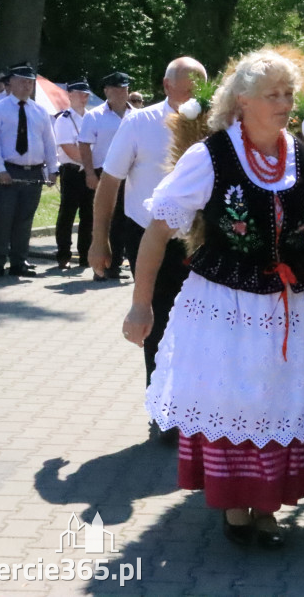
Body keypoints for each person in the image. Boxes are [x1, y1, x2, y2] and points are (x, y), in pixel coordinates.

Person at [128, 49, 304, 547]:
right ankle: (234, 507)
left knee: (280, 399)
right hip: (227, 305)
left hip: (295, 305)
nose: (285, 103)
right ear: (241, 101)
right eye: (273, 95)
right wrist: (141, 304)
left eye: (289, 94)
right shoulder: (210, 156)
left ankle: (267, 505)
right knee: (236, 398)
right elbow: (157, 231)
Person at [90, 57, 207, 394]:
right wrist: (100, 240)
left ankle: (196, 402)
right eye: (186, 88)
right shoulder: (140, 123)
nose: (193, 95)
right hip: (149, 237)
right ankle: (162, 405)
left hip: (202, 239)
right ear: (167, 86)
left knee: (204, 321)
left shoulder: (217, 124)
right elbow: (110, 182)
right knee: (157, 319)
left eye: (199, 88)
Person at [0, 63, 58, 279]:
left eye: (30, 82)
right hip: (9, 170)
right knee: (2, 219)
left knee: (25, 219)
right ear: (11, 82)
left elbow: (49, 143)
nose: (27, 86)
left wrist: (53, 169)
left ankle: (19, 261)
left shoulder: (40, 111)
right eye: (22, 81)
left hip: (33, 172)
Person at [80, 72, 132, 280]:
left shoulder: (137, 115)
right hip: (105, 173)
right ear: (106, 91)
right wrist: (90, 172)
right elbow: (84, 144)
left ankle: (116, 265)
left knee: (123, 221)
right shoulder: (94, 116)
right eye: (116, 89)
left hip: (130, 175)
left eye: (124, 88)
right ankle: (100, 267)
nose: (121, 92)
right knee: (104, 221)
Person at [52, 80, 93, 268]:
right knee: (67, 215)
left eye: (86, 95)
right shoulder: (64, 119)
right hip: (72, 171)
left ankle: (85, 255)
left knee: (89, 215)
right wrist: (90, 162)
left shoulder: (91, 118)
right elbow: (69, 149)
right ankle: (63, 255)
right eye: (80, 94)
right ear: (70, 95)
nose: (84, 98)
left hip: (89, 171)